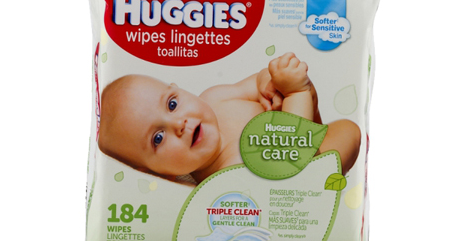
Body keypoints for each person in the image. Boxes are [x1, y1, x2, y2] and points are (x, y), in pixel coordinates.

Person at [98, 53, 360, 183]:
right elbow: (289, 154)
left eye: (172, 104)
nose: (179, 124)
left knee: (339, 126)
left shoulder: (215, 98)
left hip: (299, 122)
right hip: (301, 160)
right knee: (347, 135)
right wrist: (295, 93)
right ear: (156, 173)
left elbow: (254, 83)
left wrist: (269, 84)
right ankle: (302, 97)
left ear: (178, 88)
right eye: (158, 138)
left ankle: (305, 103)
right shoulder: (227, 176)